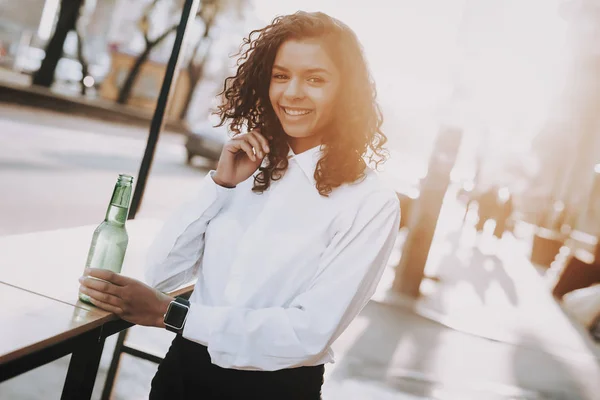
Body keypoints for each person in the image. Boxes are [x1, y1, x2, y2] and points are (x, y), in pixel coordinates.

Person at [79, 11, 400, 399]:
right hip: (180, 375)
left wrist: (173, 314)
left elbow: (307, 334)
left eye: (315, 79)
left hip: (272, 389)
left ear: (346, 92)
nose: (292, 92)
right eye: (280, 75)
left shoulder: (369, 201)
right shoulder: (247, 170)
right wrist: (220, 185)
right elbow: (161, 275)